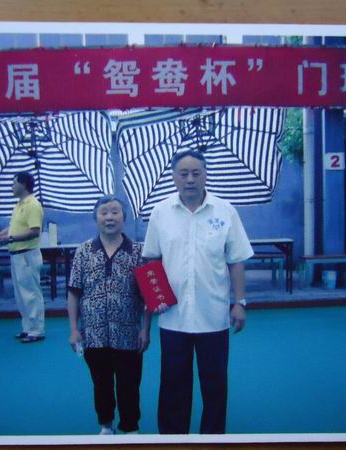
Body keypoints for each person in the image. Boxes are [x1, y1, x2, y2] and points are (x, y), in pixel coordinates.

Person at [142, 150, 254, 434]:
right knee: (173, 385)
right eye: (184, 174)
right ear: (174, 177)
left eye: (196, 173)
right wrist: (155, 298)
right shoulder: (160, 212)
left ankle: (213, 438)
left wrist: (239, 302)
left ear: (205, 175)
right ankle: (172, 438)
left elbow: (236, 260)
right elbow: (151, 259)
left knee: (215, 384)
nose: (190, 179)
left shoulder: (225, 211)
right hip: (173, 317)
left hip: (213, 315)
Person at [67, 195, 151, 435]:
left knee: (129, 383)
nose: (109, 217)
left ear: (124, 217)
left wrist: (145, 329)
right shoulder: (83, 251)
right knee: (100, 382)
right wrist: (74, 329)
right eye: (104, 212)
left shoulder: (138, 252)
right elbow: (74, 292)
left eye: (115, 212)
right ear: (96, 218)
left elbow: (148, 296)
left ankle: (131, 428)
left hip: (128, 333)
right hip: (93, 334)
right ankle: (106, 425)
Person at [0, 171, 45, 344]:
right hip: (17, 255)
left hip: (27, 255)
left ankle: (37, 330)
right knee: (21, 295)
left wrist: (10, 239)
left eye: (14, 183)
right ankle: (28, 327)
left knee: (31, 294)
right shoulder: (19, 204)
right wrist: (0, 235)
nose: (12, 186)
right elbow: (13, 227)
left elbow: (34, 231)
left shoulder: (33, 205)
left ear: (24, 184)